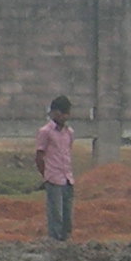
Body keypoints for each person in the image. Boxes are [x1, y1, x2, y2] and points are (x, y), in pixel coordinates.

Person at [32, 94, 79, 243]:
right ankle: (54, 243)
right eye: (61, 113)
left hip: (67, 178)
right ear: (53, 113)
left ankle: (65, 242)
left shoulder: (69, 133)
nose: (64, 116)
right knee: (55, 215)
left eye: (66, 113)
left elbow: (67, 153)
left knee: (67, 215)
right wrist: (46, 175)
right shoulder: (45, 132)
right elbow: (39, 156)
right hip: (53, 178)